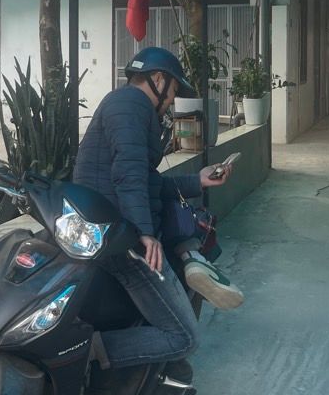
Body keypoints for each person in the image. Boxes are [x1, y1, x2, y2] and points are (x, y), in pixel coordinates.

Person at [72, 46, 244, 372]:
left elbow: (148, 181)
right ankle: (85, 353)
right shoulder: (131, 104)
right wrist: (144, 233)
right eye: (173, 90)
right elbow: (129, 175)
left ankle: (191, 258)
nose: (172, 100)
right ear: (158, 79)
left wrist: (199, 181)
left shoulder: (125, 105)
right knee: (183, 337)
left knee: (186, 221)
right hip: (121, 238)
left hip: (116, 227)